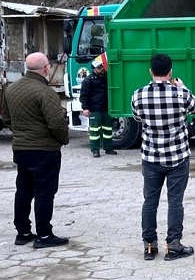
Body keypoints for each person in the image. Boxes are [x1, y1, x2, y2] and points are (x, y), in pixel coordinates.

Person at [131, 53, 195, 261]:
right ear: (170, 71)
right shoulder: (180, 94)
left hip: (151, 157)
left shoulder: (138, 95)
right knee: (175, 202)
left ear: (151, 71)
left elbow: (137, 117)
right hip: (178, 156)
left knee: (150, 201)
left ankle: (149, 246)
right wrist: (183, 88)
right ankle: (174, 245)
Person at [0, 52, 70, 248]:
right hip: (44, 150)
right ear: (45, 68)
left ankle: (22, 232)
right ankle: (44, 235)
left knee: (23, 190)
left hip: (21, 149)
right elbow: (56, 123)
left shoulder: (11, 89)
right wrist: (63, 140)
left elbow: (6, 119)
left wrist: (21, 133)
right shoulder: (44, 92)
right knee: (44, 192)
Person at [79, 52, 117, 158]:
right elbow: (84, 95)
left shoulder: (105, 77)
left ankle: (108, 148)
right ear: (94, 69)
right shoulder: (88, 80)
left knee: (108, 130)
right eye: (100, 67)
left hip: (105, 108)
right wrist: (85, 108)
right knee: (95, 131)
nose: (102, 69)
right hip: (94, 108)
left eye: (102, 67)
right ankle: (95, 150)